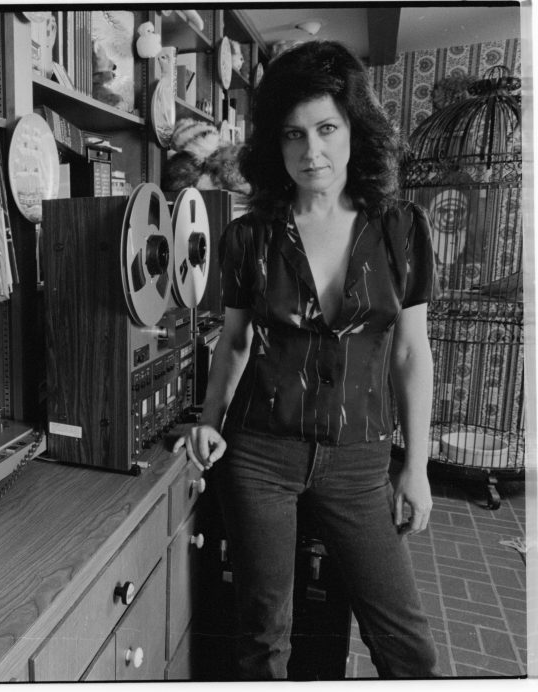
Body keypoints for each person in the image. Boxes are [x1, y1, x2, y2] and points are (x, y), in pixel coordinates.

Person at [181, 40, 439, 679]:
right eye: (294, 134)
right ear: (275, 143)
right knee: (263, 636)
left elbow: (411, 351)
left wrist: (418, 467)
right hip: (260, 454)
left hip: (359, 459)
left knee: (405, 644)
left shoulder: (401, 229)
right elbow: (237, 342)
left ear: (357, 132)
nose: (312, 151)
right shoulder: (248, 237)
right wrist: (210, 419)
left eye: (327, 128)